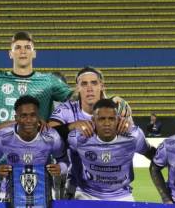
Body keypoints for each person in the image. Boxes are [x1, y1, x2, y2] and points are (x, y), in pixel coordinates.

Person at [0, 31, 73, 201]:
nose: (22, 51)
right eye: (18, 47)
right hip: (4, 165)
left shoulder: (49, 82)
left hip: (40, 164)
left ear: (34, 53)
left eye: (27, 47)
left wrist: (110, 99)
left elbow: (78, 101)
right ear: (10, 53)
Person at [48, 66, 132, 198]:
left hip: (112, 183)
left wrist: (126, 123)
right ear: (77, 88)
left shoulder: (117, 108)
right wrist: (72, 126)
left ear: (102, 86)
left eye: (94, 83)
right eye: (84, 84)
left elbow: (130, 136)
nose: (89, 88)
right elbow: (48, 135)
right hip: (75, 186)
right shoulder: (67, 110)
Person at [66, 99, 156, 201]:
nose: (107, 123)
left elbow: (152, 154)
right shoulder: (78, 137)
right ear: (93, 120)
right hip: (86, 194)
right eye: (102, 119)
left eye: (111, 119)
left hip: (122, 196)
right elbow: (61, 147)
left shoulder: (133, 136)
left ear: (118, 119)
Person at [0, 95, 67, 202]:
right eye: (23, 116)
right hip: (10, 196)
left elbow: (64, 161)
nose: (29, 120)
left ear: (38, 117)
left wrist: (60, 168)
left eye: (33, 115)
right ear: (16, 118)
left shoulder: (52, 137)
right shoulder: (3, 136)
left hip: (42, 196)